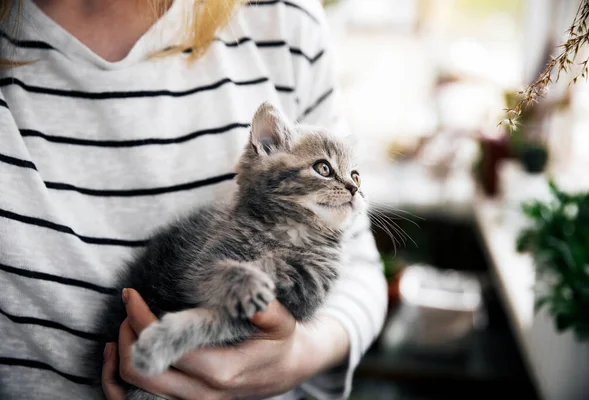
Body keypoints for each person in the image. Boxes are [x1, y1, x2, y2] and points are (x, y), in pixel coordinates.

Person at [0, 0, 387, 399]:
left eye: (354, 177)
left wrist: (296, 357)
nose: (352, 186)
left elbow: (359, 267)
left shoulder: (283, 17)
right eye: (327, 171)